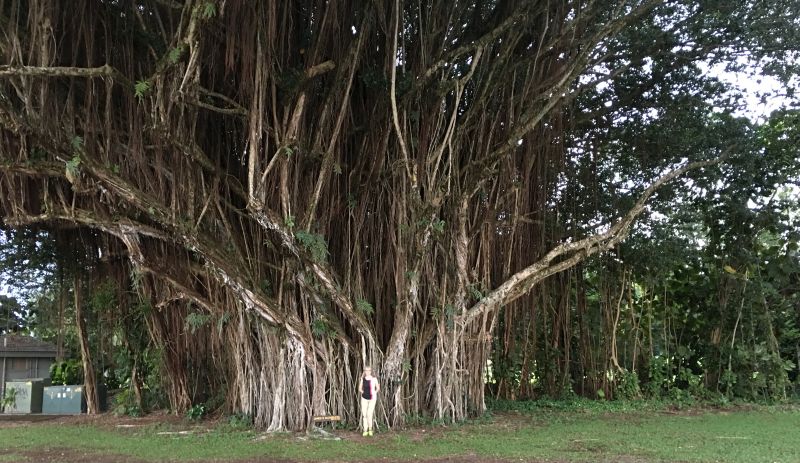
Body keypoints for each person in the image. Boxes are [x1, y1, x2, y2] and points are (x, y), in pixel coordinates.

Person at [360, 366, 380, 436]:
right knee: (364, 415)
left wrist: (374, 392)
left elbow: (378, 388)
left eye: (369, 370)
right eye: (366, 370)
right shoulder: (362, 379)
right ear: (364, 371)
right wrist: (363, 392)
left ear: (371, 371)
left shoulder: (374, 379)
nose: (367, 372)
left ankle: (370, 429)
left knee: (369, 414)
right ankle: (365, 430)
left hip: (372, 399)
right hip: (364, 399)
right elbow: (359, 388)